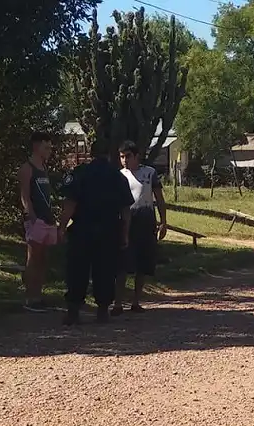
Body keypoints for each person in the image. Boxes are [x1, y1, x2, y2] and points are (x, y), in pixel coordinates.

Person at [57, 140, 133, 326]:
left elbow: (70, 204)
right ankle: (102, 310)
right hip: (109, 230)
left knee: (77, 270)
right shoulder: (118, 177)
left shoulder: (80, 173)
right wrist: (125, 234)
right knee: (105, 270)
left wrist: (61, 228)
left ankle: (73, 310)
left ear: (90, 153)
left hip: (82, 229)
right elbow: (125, 211)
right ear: (110, 154)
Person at [113, 140, 168, 315]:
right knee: (122, 265)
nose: (125, 160)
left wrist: (163, 221)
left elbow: (159, 198)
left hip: (146, 221)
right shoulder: (119, 176)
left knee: (143, 265)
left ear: (137, 156)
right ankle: (118, 304)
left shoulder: (149, 173)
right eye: (121, 157)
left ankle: (136, 302)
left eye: (128, 156)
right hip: (126, 223)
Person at [18, 131, 56, 313]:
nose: (49, 151)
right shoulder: (27, 168)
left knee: (42, 259)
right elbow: (25, 196)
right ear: (36, 146)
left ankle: (38, 296)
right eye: (46, 147)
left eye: (50, 147)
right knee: (33, 258)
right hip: (35, 220)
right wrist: (32, 217)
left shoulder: (44, 167)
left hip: (47, 218)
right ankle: (29, 297)